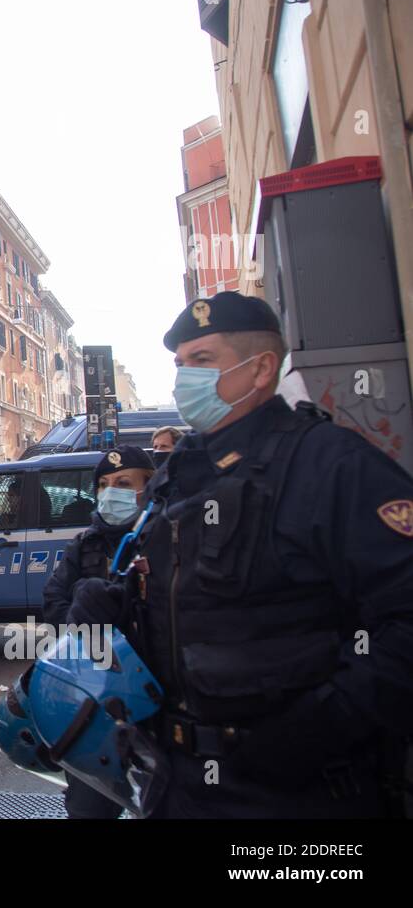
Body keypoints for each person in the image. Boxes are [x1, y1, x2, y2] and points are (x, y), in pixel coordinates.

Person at [95, 291, 413, 818]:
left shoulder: (330, 464)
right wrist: (114, 604)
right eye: (179, 364)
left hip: (295, 794)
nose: (184, 378)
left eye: (202, 361)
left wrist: (321, 723)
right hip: (178, 781)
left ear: (262, 368)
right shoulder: (181, 475)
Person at [41, 445, 154, 819]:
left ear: (148, 487)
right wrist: (88, 628)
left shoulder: (163, 540)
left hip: (152, 702)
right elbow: (54, 600)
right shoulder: (85, 545)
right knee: (89, 807)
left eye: (123, 483)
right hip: (93, 701)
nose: (111, 492)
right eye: (103, 484)